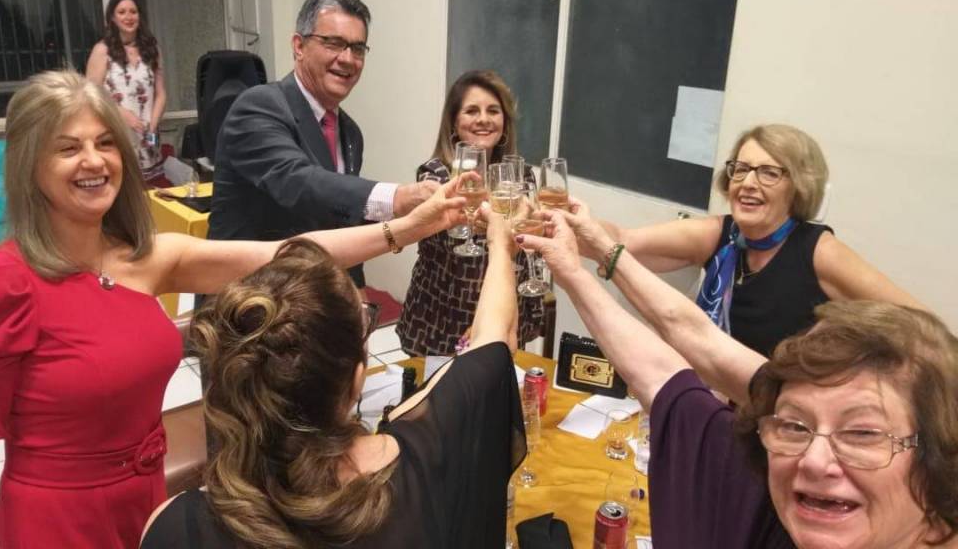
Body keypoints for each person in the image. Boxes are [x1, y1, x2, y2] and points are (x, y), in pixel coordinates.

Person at [0, 70, 467, 549]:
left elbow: (286, 253)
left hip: (148, 503)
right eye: (68, 148)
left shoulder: (146, 257)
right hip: (60, 523)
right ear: (31, 166)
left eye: (105, 143)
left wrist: (408, 229)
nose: (94, 161)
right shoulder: (1, 283)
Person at [520, 208, 957, 548]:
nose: (814, 460)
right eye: (795, 426)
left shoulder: (815, 250)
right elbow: (673, 362)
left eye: (861, 433)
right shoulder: (763, 480)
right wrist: (572, 269)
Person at [140, 206, 526, 548]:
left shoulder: (174, 528)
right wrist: (500, 245)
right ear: (357, 378)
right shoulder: (428, 458)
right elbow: (493, 338)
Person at [596, 124, 922, 356]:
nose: (748, 183)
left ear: (800, 186)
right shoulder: (723, 235)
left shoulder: (818, 252)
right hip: (712, 398)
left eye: (769, 173)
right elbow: (623, 242)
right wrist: (572, 221)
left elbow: (921, 329)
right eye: (741, 169)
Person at [207, 0, 437, 286]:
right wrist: (400, 198)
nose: (347, 59)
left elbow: (344, 218)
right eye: (333, 43)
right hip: (248, 296)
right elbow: (298, 182)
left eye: (357, 48)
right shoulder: (258, 106)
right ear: (299, 46)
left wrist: (357, 288)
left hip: (310, 296)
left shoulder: (350, 132)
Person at [397, 69, 543, 356]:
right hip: (443, 318)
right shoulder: (435, 175)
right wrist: (501, 218)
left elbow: (527, 241)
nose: (483, 119)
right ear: (454, 122)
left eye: (493, 111)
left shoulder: (521, 174)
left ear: (505, 122)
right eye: (472, 111)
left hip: (502, 313)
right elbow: (451, 236)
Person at [87, 0, 167, 184]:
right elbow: (90, 94)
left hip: (148, 135)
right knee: (121, 185)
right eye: (122, 12)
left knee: (152, 188)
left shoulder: (152, 48)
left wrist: (153, 125)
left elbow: (161, 93)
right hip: (117, 132)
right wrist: (123, 115)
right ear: (112, 18)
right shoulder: (102, 50)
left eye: (133, 11)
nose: (128, 17)